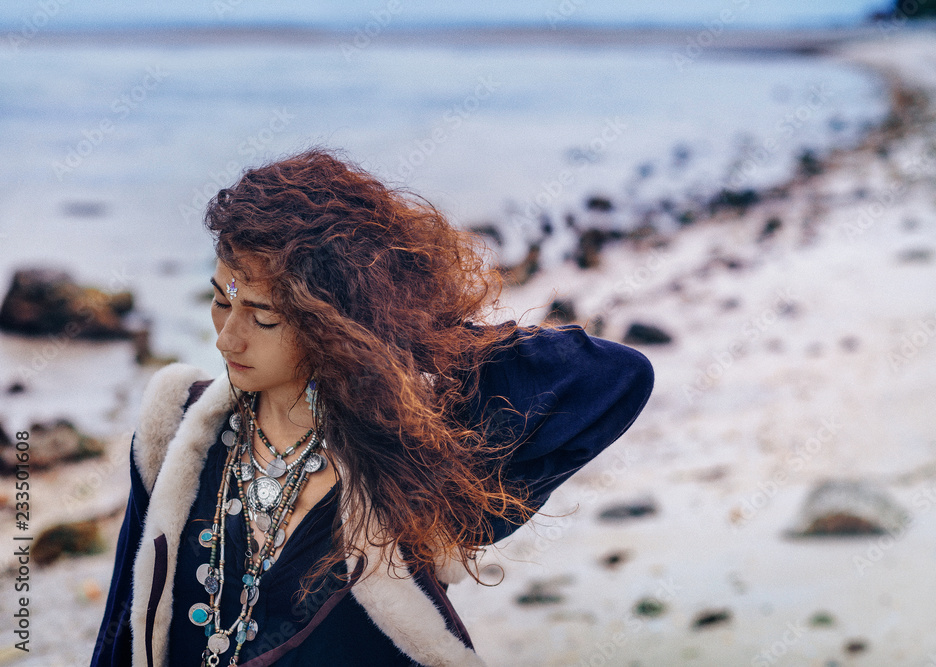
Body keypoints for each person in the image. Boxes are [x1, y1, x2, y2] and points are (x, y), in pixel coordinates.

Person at [90, 148, 654, 666]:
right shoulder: (178, 434)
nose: (227, 340)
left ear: (332, 322)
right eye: (219, 300)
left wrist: (408, 334)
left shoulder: (409, 461)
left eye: (263, 318)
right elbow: (121, 629)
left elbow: (614, 376)